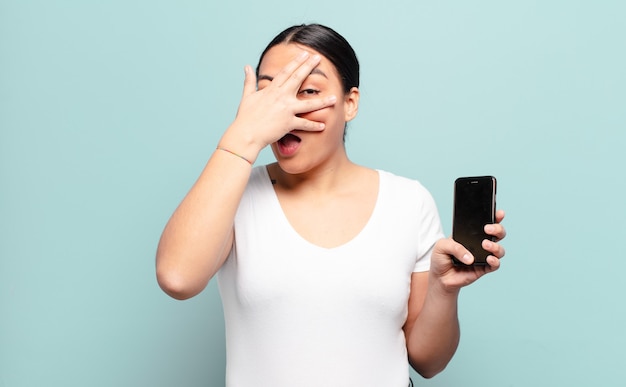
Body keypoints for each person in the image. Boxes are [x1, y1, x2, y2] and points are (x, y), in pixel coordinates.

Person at [156, 23, 507, 387]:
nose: (286, 112)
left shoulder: (408, 201)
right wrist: (242, 138)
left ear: (350, 103)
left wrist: (444, 290)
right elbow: (177, 278)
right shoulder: (234, 194)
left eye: (307, 91)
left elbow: (429, 361)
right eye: (271, 95)